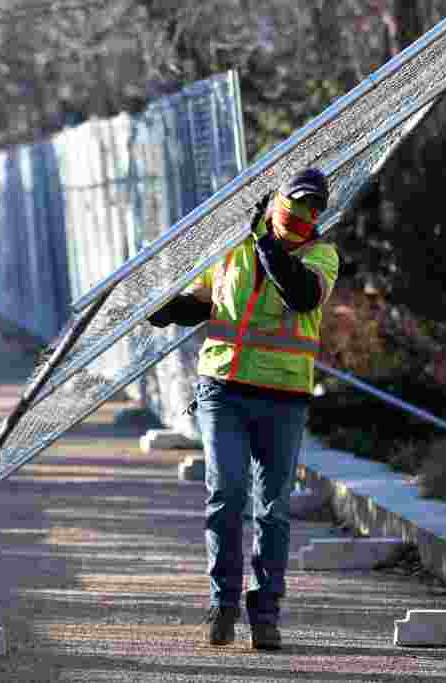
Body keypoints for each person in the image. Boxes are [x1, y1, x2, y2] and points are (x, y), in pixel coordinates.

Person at [148, 167, 339, 650]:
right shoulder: (235, 248)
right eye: (293, 205)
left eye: (310, 209)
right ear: (275, 201)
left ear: (320, 215)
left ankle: (266, 612)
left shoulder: (321, 257)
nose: (299, 217)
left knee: (272, 509)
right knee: (226, 493)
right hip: (223, 389)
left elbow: (298, 293)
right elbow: (204, 302)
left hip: (283, 397)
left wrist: (268, 245)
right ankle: (223, 602)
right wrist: (168, 308)